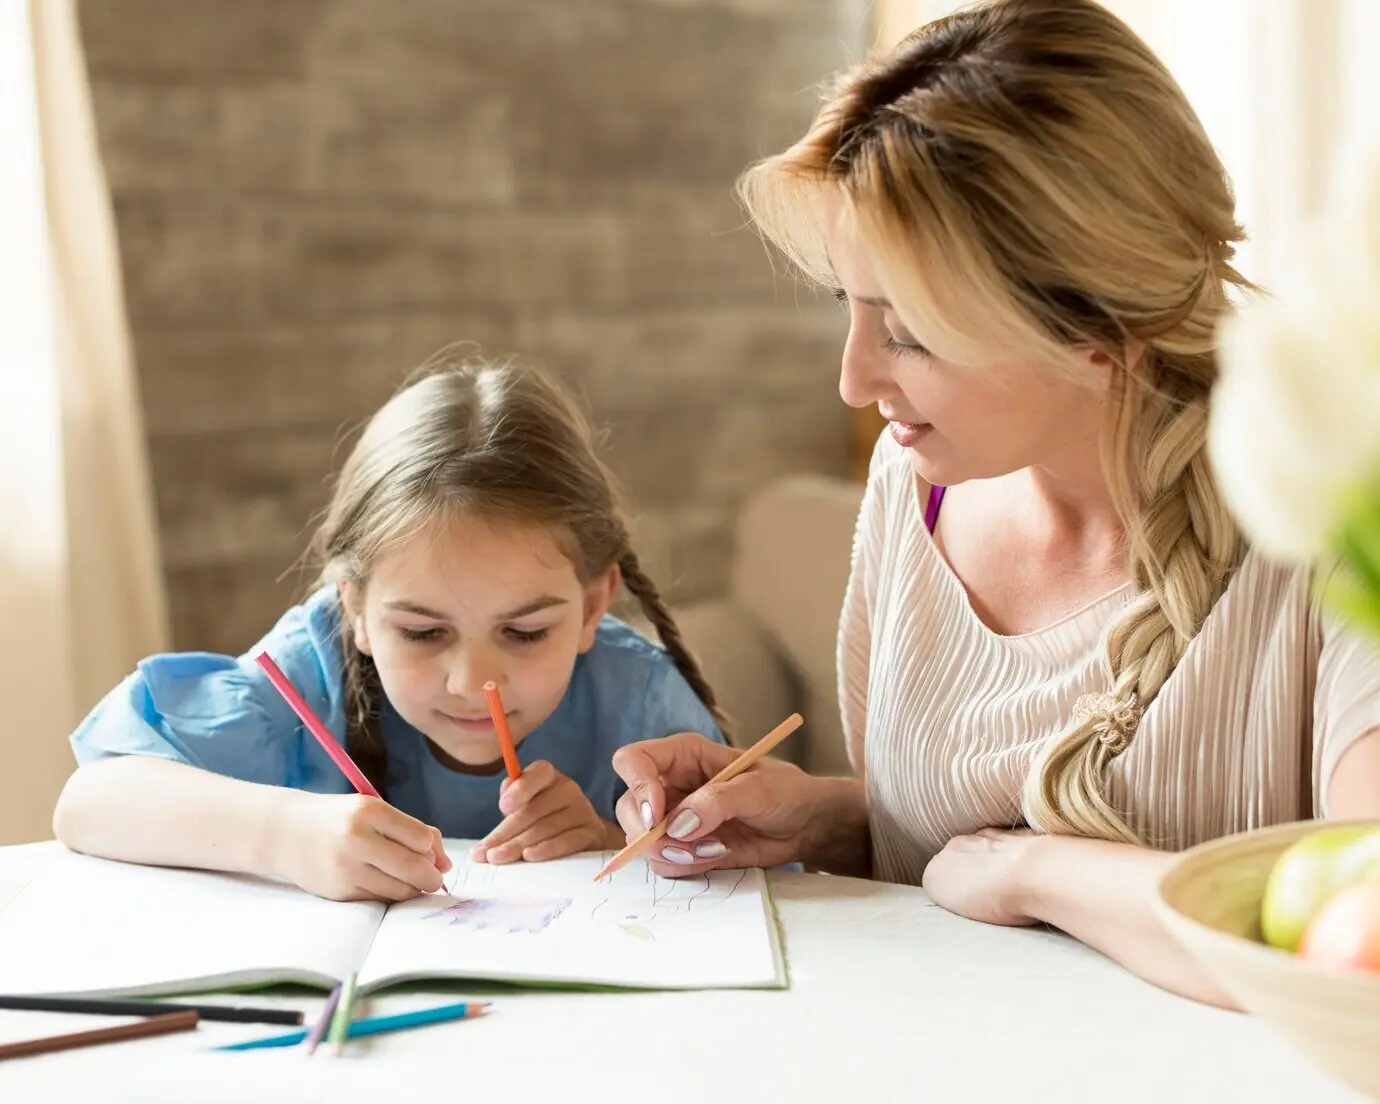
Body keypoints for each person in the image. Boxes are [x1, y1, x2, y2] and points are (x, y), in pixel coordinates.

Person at [610, 0, 1380, 1005]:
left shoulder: (1334, 505)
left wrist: (1040, 872)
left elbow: (1356, 935)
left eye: (910, 332)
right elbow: (957, 863)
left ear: (1095, 327)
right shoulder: (912, 488)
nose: (852, 380)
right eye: (852, 308)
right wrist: (831, 821)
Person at [54, 356, 728, 902]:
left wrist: (612, 842)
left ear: (590, 607)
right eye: (422, 633)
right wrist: (285, 834)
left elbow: (756, 873)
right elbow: (90, 800)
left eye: (523, 633)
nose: (473, 683)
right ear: (354, 609)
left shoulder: (638, 697)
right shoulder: (314, 667)